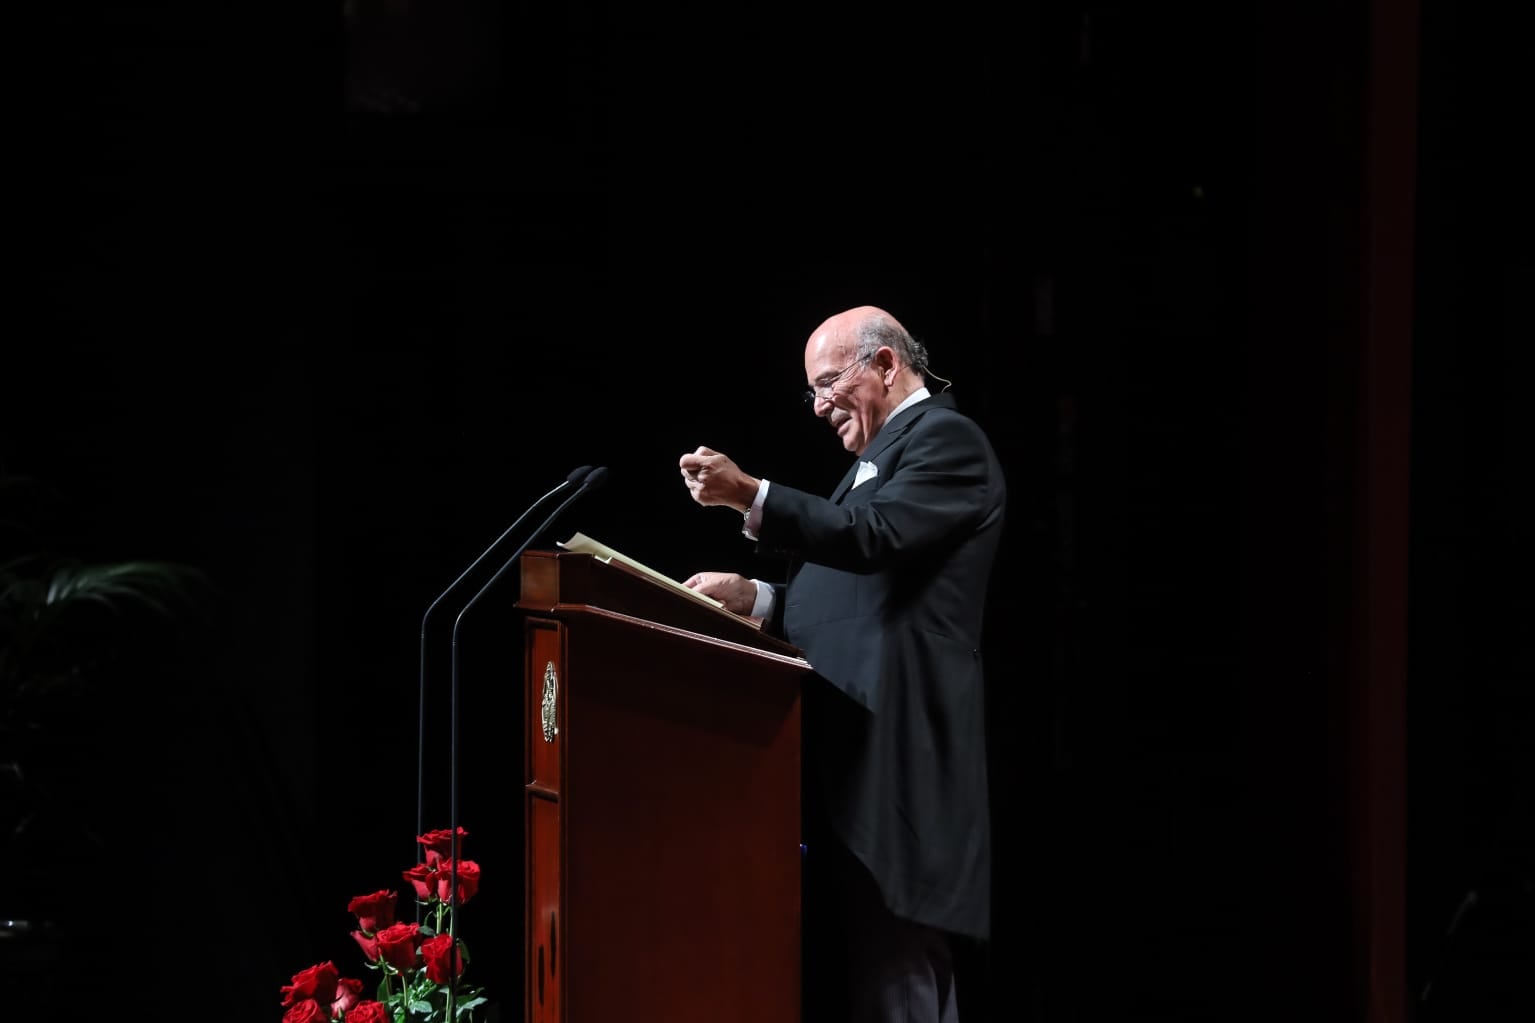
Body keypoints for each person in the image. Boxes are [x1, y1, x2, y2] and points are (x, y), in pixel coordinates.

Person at [678, 305, 1006, 1023]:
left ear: (885, 364)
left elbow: (872, 537)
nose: (819, 405)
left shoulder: (945, 439)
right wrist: (760, 597)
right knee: (881, 973)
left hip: (899, 754)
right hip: (858, 748)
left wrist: (750, 494)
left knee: (900, 976)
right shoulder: (881, 458)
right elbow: (859, 591)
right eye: (812, 391)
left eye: (829, 382)